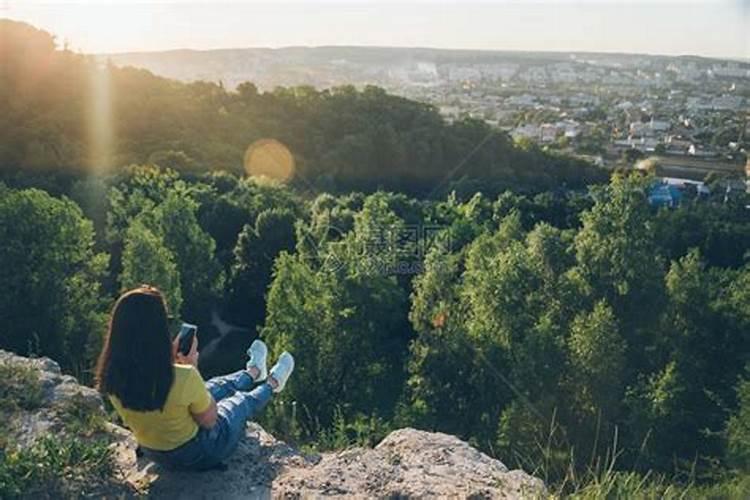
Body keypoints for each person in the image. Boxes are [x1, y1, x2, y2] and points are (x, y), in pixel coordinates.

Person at [95, 285, 294, 470]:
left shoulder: (112, 375)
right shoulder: (183, 376)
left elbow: (157, 398)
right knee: (239, 401)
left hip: (153, 451)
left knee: (215, 386)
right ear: (157, 332)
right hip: (197, 453)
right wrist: (191, 368)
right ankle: (273, 383)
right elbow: (209, 421)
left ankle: (253, 372)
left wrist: (174, 364)